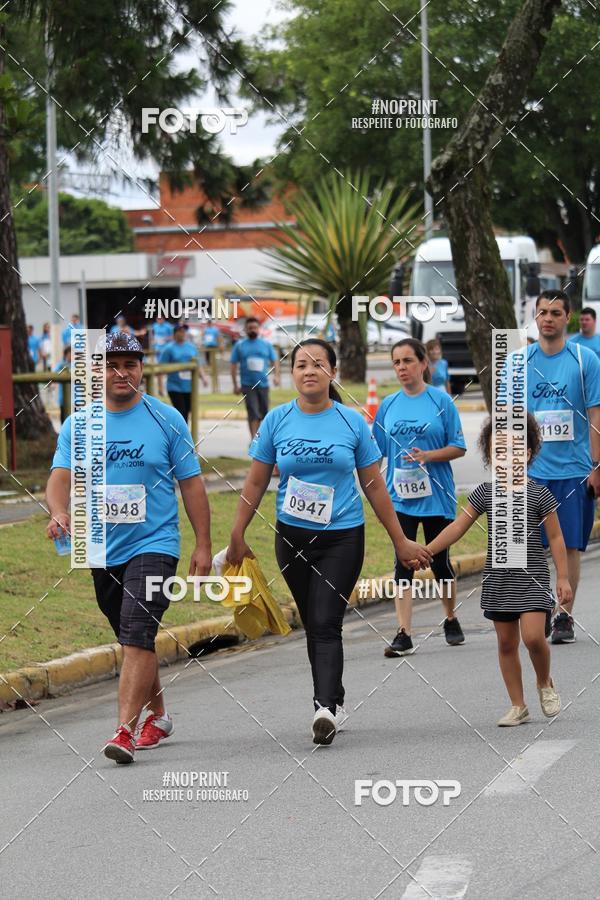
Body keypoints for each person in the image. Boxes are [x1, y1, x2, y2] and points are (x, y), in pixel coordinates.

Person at [226, 339, 432, 745]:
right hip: (292, 538)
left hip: (342, 537)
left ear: (332, 373)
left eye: (318, 364)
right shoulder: (276, 420)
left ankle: (324, 708)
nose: (309, 371)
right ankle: (333, 698)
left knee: (325, 620)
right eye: (301, 364)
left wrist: (401, 541)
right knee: (314, 621)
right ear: (291, 374)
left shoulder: (352, 422)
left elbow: (374, 485)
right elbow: (256, 481)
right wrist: (237, 533)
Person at [45, 332, 213, 764]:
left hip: (155, 542)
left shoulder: (167, 419)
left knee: (137, 629)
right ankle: (159, 715)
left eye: (130, 365)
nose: (121, 373)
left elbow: (192, 485)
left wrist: (203, 544)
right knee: (133, 636)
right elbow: (60, 477)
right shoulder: (79, 424)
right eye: (110, 365)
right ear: (96, 372)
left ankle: (124, 731)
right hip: (101, 547)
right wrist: (59, 511)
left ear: (142, 369)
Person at [423, 414, 570, 726]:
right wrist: (428, 550)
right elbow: (457, 527)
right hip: (498, 581)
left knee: (534, 638)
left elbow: (557, 538)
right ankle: (518, 705)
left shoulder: (539, 494)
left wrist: (564, 578)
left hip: (532, 579)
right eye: (498, 450)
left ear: (527, 453)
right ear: (490, 456)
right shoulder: (485, 493)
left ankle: (544, 681)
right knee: (506, 644)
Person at [373, 339, 467, 657]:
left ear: (423, 363)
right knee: (404, 562)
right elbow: (375, 451)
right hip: (399, 497)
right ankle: (404, 633)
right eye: (396, 362)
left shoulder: (441, 401)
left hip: (437, 496)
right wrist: (371, 485)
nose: (402, 367)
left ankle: (450, 618)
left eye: (408, 361)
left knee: (439, 562)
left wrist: (429, 455)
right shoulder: (388, 405)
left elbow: (459, 446)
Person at [527, 290, 600, 643]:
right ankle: (539, 606)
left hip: (574, 470)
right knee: (533, 547)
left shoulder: (585, 360)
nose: (548, 318)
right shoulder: (520, 361)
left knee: (569, 545)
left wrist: (597, 465)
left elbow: (596, 414)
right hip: (532, 471)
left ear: (567, 318)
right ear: (535, 316)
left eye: (556, 312)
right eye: (543, 312)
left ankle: (563, 616)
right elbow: (510, 418)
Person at [231, 317, 280, 439]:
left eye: (255, 327)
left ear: (259, 329)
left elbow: (274, 360)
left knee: (264, 412)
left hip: (263, 384)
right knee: (253, 412)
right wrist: (235, 385)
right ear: (245, 329)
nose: (252, 330)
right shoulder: (240, 345)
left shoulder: (266, 344)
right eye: (250, 328)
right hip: (247, 385)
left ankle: (261, 438)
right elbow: (233, 365)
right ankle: (254, 440)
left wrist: (276, 376)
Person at [159, 323, 208, 424]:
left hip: (189, 386)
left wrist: (203, 377)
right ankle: (181, 432)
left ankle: (181, 431)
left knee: (187, 411)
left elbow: (197, 364)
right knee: (181, 412)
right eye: (180, 331)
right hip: (174, 386)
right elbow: (161, 368)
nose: (183, 333)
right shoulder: (168, 349)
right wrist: (160, 387)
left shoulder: (191, 347)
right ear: (175, 333)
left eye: (184, 331)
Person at [152, 317, 175, 396]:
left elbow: (172, 337)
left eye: (160, 318)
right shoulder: (155, 326)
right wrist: (154, 341)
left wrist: (165, 339)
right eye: (157, 319)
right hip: (158, 350)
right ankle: (160, 390)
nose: (159, 320)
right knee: (160, 370)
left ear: (163, 319)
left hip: (166, 350)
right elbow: (154, 336)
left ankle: (171, 389)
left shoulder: (168, 326)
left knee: (170, 370)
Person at [53, 346, 72, 422]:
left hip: (75, 397)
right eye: (70, 354)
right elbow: (54, 374)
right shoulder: (61, 365)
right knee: (64, 417)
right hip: (63, 397)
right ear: (66, 355)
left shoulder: (76, 364)